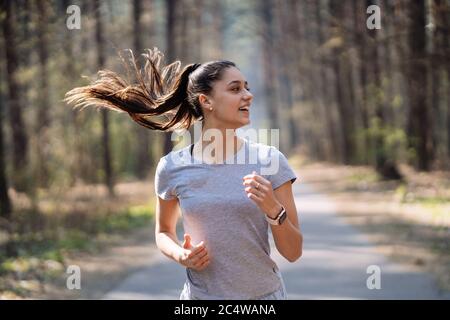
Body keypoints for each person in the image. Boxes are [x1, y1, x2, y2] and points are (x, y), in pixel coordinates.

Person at [65, 47, 303, 300]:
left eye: (247, 87)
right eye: (235, 89)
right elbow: (164, 231)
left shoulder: (269, 161)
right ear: (206, 101)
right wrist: (181, 255)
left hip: (264, 297)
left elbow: (293, 252)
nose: (248, 96)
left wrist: (273, 210)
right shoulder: (172, 167)